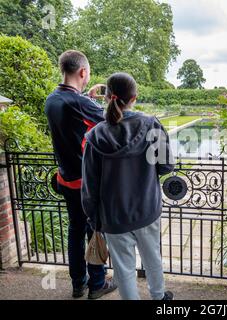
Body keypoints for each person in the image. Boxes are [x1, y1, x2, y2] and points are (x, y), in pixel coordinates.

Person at [81, 72, 175, 300]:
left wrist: (94, 218)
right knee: (152, 256)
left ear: (108, 97)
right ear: (135, 96)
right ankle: (158, 296)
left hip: (113, 216)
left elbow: (89, 185)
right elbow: (166, 166)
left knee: (123, 268)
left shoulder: (95, 136)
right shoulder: (151, 125)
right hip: (146, 208)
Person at [45, 50, 117, 299]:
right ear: (83, 72)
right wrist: (103, 100)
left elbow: (74, 123)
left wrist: (88, 99)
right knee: (95, 231)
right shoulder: (80, 103)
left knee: (75, 230)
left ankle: (79, 283)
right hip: (85, 182)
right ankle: (97, 284)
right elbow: (113, 121)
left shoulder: (52, 99)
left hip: (65, 178)